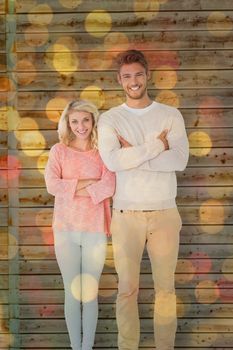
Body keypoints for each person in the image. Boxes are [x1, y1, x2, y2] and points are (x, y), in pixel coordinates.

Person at [97, 50, 189, 350]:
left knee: (166, 291)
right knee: (126, 291)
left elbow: (180, 160)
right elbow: (112, 161)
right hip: (127, 215)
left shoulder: (169, 115)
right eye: (127, 77)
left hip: (164, 213)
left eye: (138, 74)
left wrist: (134, 153)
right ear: (119, 81)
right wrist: (154, 147)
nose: (133, 81)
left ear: (147, 75)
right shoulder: (111, 118)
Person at [44, 100, 115, 350]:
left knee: (90, 295)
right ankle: (76, 348)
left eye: (85, 120)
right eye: (74, 121)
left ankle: (88, 347)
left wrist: (71, 186)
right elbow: (53, 185)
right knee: (72, 294)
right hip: (65, 231)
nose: (80, 126)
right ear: (67, 123)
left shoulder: (103, 152)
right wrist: (88, 182)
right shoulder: (59, 151)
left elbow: (109, 186)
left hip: (95, 230)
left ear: (93, 121)